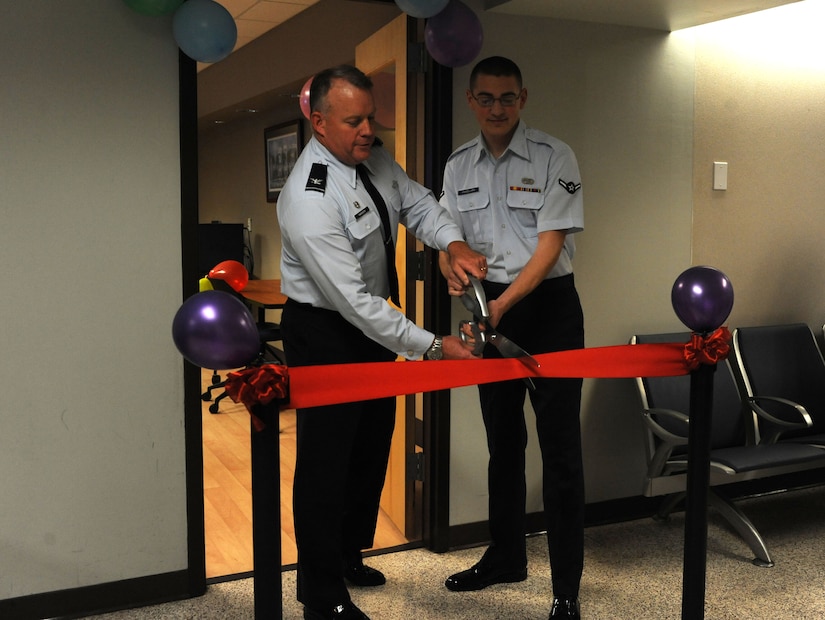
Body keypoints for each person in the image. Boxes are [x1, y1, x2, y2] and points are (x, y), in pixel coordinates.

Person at [277, 65, 488, 620]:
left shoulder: (370, 159)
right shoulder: (309, 197)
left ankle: (348, 557)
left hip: (369, 331)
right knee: (325, 462)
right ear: (319, 122)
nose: (368, 129)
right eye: (354, 121)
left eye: (371, 116)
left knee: (368, 449)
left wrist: (454, 243)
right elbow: (355, 303)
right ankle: (320, 594)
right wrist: (434, 346)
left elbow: (416, 202)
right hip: (326, 334)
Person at [438, 56, 586, 620]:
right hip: (487, 305)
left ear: (522, 98)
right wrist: (456, 264)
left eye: (507, 98)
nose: (497, 108)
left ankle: (566, 589)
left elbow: (550, 248)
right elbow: (449, 234)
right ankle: (506, 557)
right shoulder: (458, 165)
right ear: (472, 101)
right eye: (486, 98)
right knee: (503, 442)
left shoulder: (554, 156)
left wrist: (499, 304)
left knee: (561, 453)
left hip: (547, 309)